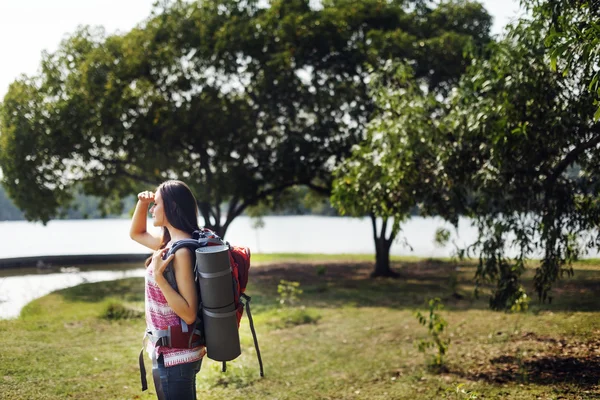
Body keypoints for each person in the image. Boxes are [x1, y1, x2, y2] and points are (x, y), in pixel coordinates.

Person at [130, 180, 205, 400]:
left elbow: (189, 313)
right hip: (172, 352)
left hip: (177, 356)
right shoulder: (171, 244)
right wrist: (142, 203)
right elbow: (136, 233)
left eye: (156, 204)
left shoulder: (180, 250)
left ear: (172, 207)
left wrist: (159, 277)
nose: (153, 209)